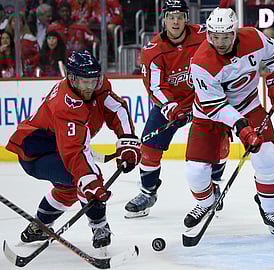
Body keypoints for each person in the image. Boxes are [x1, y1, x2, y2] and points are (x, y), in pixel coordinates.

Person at [5, 50, 141, 249]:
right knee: (87, 181)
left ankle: (40, 225)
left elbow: (116, 109)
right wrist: (89, 181)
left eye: (94, 80)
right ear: (71, 78)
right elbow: (73, 152)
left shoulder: (97, 84)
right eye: (84, 82)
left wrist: (127, 139)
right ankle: (99, 226)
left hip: (59, 146)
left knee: (69, 188)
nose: (89, 87)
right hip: (36, 152)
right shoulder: (65, 105)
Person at [186, 7, 274, 236]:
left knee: (268, 158)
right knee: (195, 173)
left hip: (249, 104)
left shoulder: (253, 37)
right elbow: (215, 107)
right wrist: (242, 127)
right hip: (209, 115)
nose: (220, 42)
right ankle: (206, 201)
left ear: (235, 33)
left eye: (225, 37)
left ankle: (269, 209)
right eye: (214, 37)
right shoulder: (201, 63)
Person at [124, 0, 225, 219]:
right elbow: (155, 86)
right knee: (149, 148)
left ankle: (214, 185)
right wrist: (171, 109)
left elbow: (222, 56)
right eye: (171, 16)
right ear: (164, 19)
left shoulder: (203, 36)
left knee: (220, 140)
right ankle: (147, 192)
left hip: (204, 100)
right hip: (172, 105)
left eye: (180, 16)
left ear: (187, 18)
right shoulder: (153, 51)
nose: (176, 21)